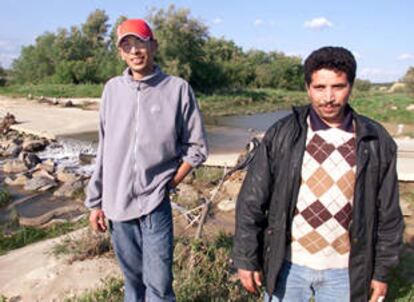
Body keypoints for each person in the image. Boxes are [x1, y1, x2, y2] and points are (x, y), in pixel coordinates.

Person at [232, 46, 403, 302]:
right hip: (287, 264)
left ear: (351, 87)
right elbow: (251, 202)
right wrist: (246, 258)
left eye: (338, 86)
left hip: (345, 271)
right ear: (307, 88)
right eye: (320, 87)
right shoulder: (283, 134)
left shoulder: (375, 140)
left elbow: (388, 216)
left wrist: (380, 273)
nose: (329, 97)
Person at [85, 18, 208, 302]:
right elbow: (104, 149)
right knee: (133, 285)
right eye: (127, 45)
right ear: (120, 53)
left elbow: (197, 147)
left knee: (160, 286)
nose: (135, 51)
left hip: (154, 204)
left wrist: (170, 183)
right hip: (116, 205)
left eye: (140, 42)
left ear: (153, 45)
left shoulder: (177, 88)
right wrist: (95, 203)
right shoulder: (112, 89)